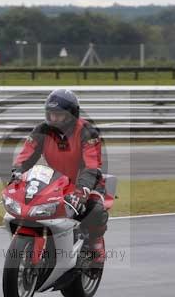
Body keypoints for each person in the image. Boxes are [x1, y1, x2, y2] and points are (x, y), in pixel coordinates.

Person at [9, 89, 108, 268]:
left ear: (71, 115)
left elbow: (92, 165)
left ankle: (96, 241)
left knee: (95, 208)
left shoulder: (87, 131)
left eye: (59, 115)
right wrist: (17, 172)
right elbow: (26, 156)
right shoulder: (42, 130)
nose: (53, 119)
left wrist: (82, 190)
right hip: (55, 182)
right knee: (31, 206)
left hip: (85, 183)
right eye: (51, 114)